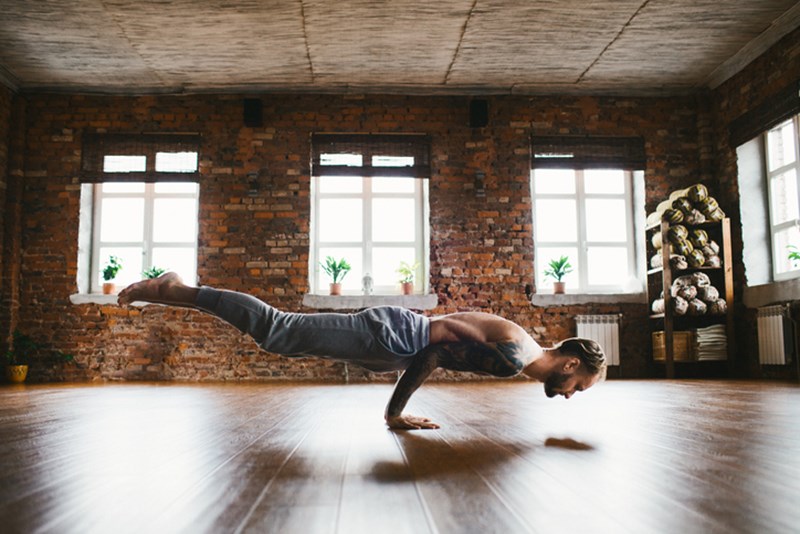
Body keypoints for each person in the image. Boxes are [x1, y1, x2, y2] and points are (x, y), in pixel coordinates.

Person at [118, 273, 606, 429]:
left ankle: (179, 291)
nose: (569, 394)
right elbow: (433, 353)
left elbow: (447, 335)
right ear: (570, 363)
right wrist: (395, 414)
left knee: (280, 336)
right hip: (395, 337)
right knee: (277, 329)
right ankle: (176, 290)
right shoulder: (512, 359)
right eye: (577, 386)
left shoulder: (518, 346)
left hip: (395, 338)